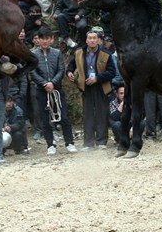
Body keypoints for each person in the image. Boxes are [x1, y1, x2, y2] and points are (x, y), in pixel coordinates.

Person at [30, 27, 77, 155]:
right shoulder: (33, 54)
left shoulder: (57, 53)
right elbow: (32, 72)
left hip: (57, 89)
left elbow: (61, 70)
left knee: (64, 116)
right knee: (45, 119)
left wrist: (53, 83)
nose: (44, 41)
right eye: (42, 38)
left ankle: (70, 143)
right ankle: (50, 144)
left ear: (52, 39)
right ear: (38, 40)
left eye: (47, 38)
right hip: (41, 90)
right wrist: (45, 83)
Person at [67, 30, 116, 150]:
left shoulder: (106, 53)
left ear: (99, 40)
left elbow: (112, 72)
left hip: (101, 87)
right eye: (90, 38)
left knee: (101, 114)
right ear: (86, 40)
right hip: (86, 86)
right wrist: (69, 72)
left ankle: (101, 142)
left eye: (95, 38)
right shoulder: (79, 52)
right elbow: (71, 65)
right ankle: (88, 143)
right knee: (88, 114)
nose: (92, 40)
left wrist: (97, 78)